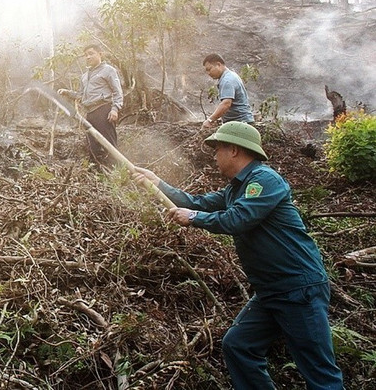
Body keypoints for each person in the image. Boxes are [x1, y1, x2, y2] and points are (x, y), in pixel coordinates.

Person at [132, 122, 343, 390]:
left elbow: (238, 219)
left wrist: (194, 218)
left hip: (297, 288)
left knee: (319, 371)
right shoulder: (235, 188)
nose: (214, 155)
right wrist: (158, 183)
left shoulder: (265, 181)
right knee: (239, 346)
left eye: (217, 149)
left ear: (233, 150)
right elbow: (197, 203)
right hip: (270, 291)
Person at [57, 44, 124, 166]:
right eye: (86, 55)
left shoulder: (109, 70)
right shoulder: (84, 76)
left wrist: (115, 109)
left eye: (91, 53)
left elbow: (117, 91)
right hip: (90, 114)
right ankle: (99, 174)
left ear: (100, 54)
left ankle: (118, 174)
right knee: (92, 146)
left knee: (110, 145)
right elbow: (81, 96)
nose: (88, 57)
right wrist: (67, 93)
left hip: (104, 111)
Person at [201, 53, 254, 129]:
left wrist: (210, 120)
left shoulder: (227, 80)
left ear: (218, 64)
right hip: (240, 122)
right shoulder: (230, 75)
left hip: (240, 124)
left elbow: (226, 104)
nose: (208, 73)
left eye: (209, 69)